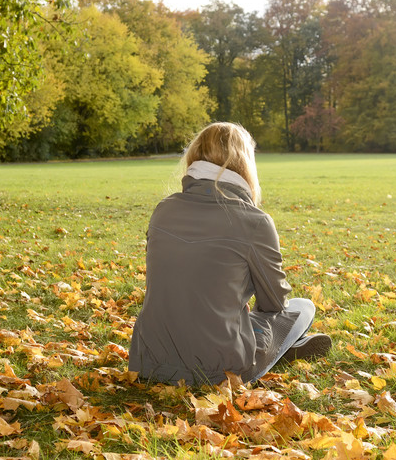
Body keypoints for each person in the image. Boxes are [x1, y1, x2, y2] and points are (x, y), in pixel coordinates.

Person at [128, 122, 331, 385]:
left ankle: (276, 350)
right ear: (245, 162)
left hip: (150, 361)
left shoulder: (163, 210)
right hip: (220, 369)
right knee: (303, 307)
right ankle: (278, 352)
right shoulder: (254, 221)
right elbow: (274, 303)